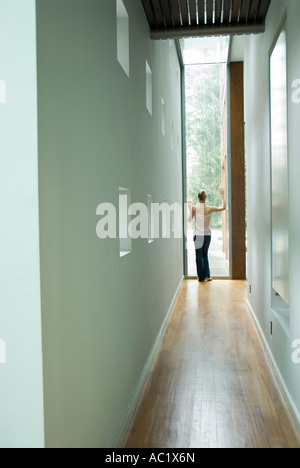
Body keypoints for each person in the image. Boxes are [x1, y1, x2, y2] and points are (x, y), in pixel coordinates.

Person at [188, 188, 226, 283]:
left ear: (198, 198)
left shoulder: (194, 208)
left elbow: (189, 220)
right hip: (207, 235)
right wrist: (222, 195)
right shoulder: (209, 208)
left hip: (198, 235)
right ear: (206, 198)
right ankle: (207, 276)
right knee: (205, 255)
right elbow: (224, 207)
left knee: (198, 256)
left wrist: (189, 208)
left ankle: (201, 277)